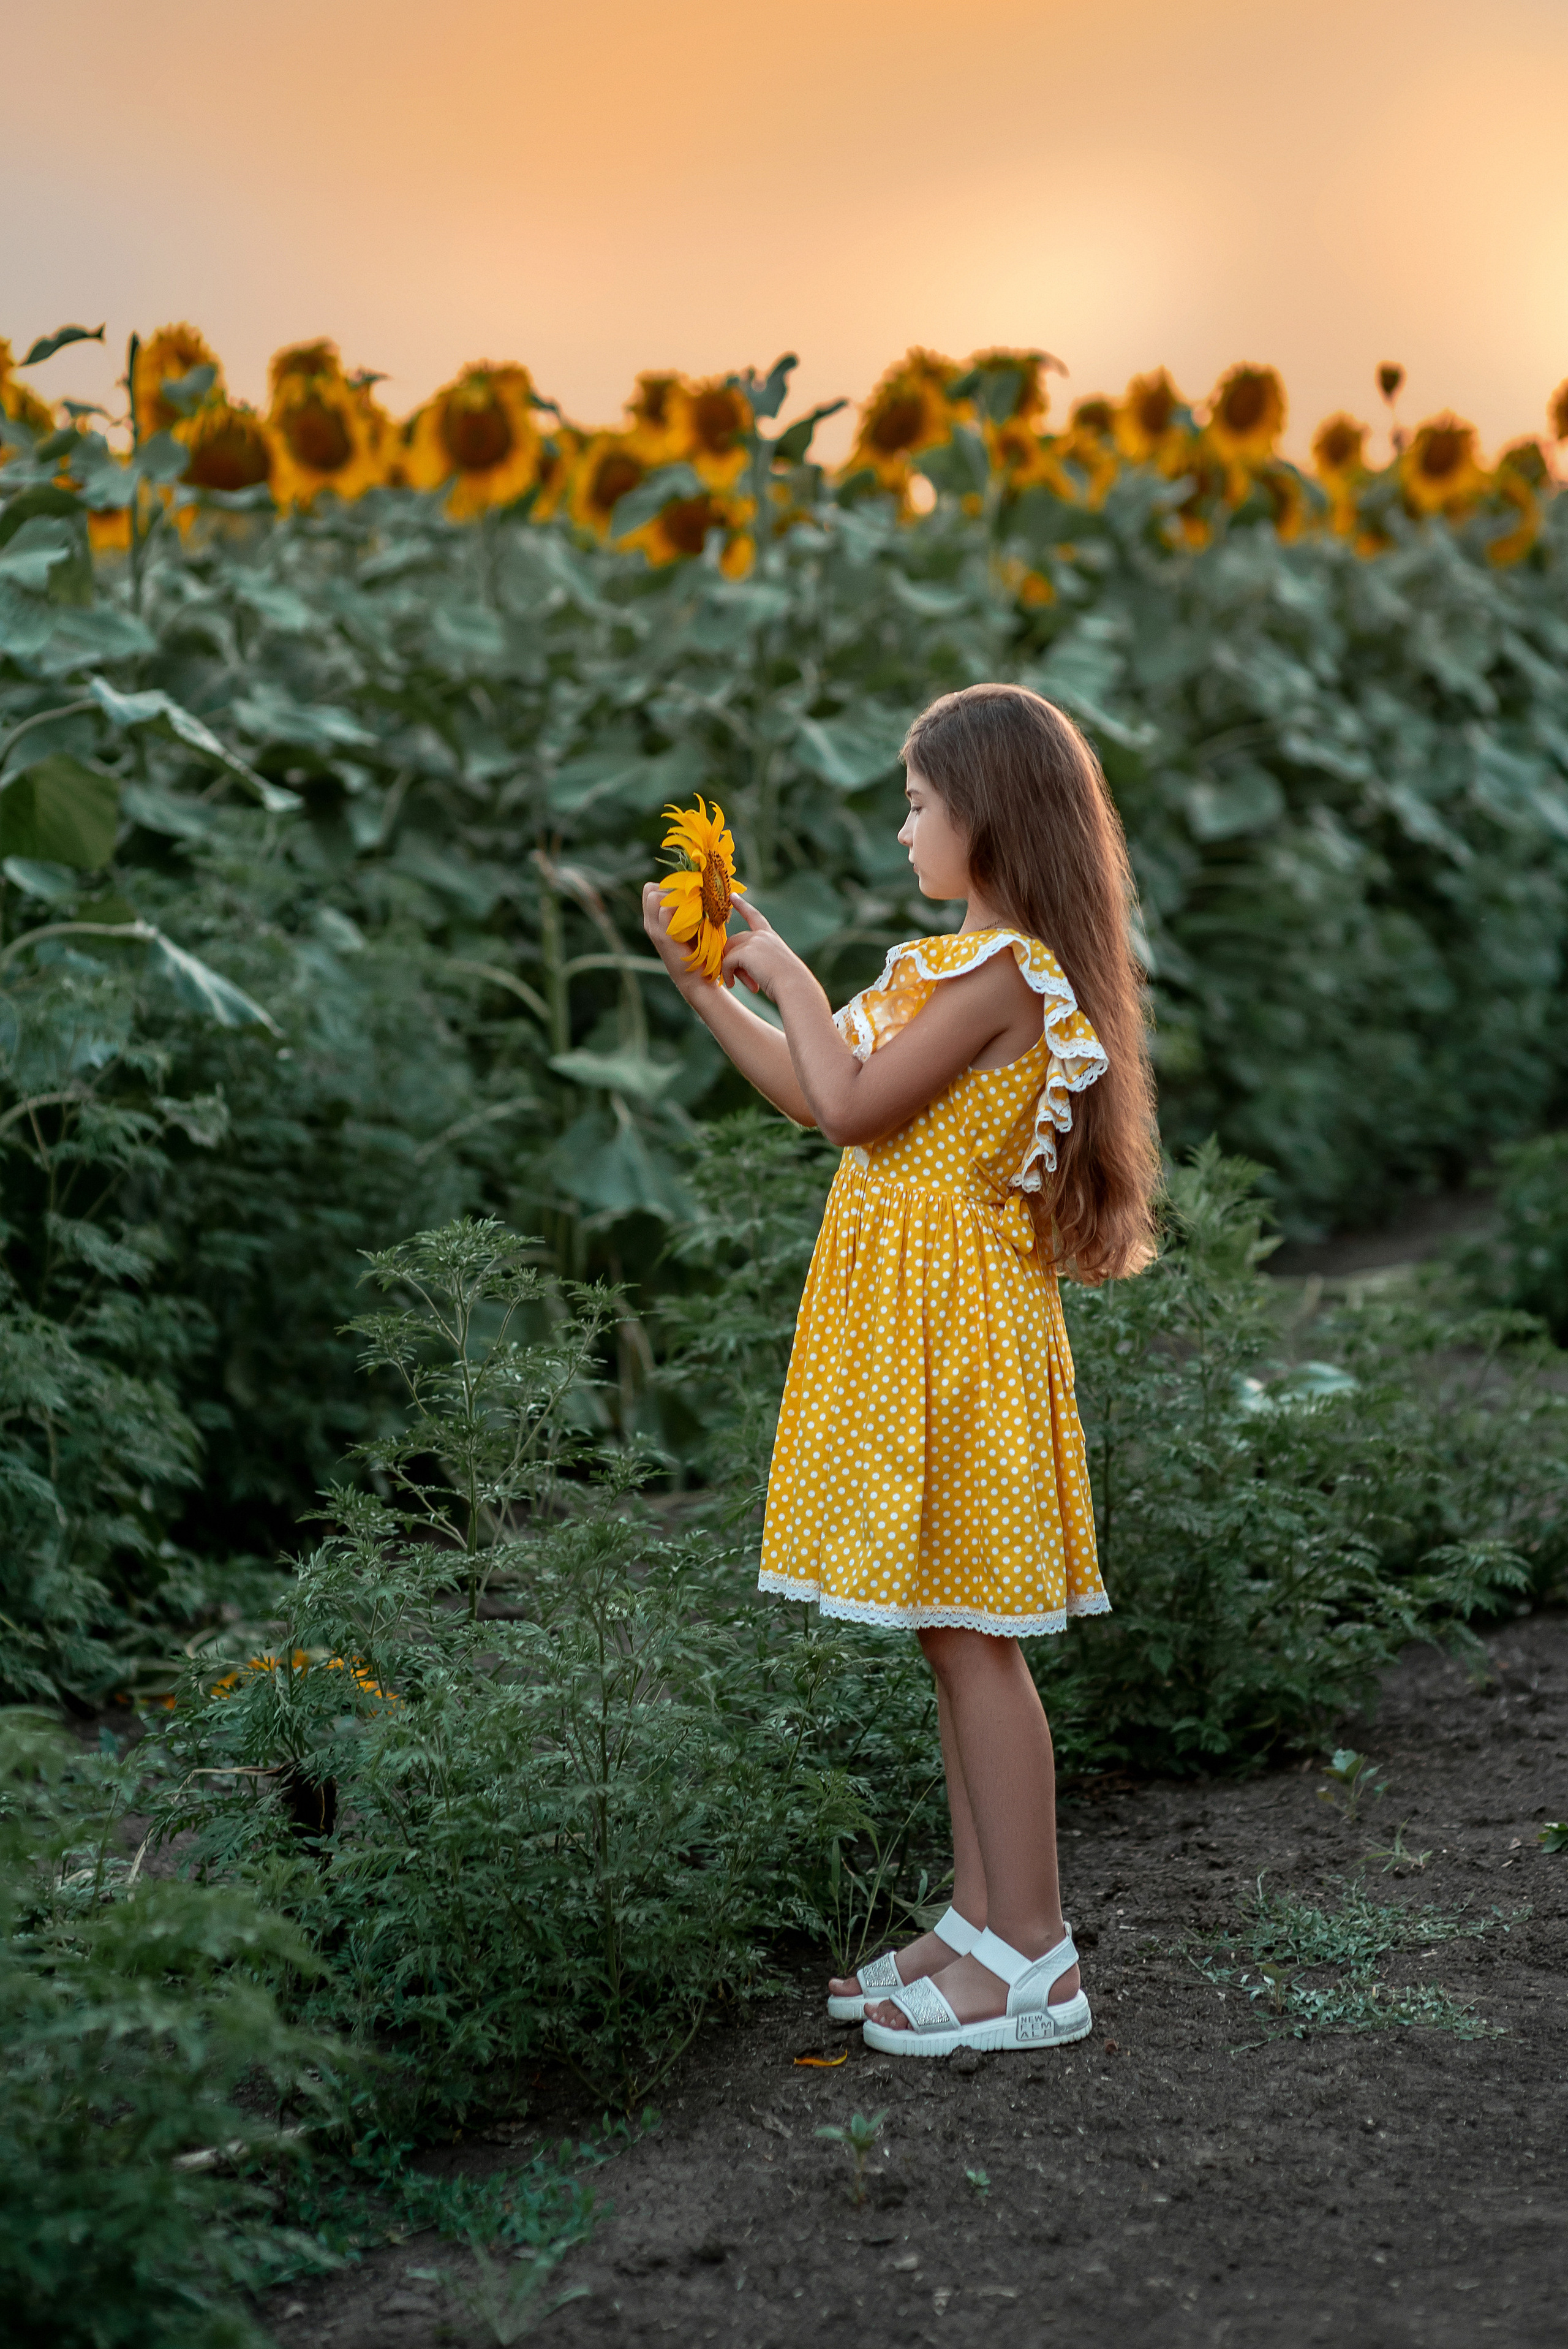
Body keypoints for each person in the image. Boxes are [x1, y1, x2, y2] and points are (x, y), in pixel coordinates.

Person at [641, 682, 1158, 2057]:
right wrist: (708, 986)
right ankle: (982, 1923)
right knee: (948, 1628)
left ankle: (1036, 1954)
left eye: (918, 804)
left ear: (989, 814)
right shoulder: (951, 965)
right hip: (917, 1333)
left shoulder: (1009, 974)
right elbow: (818, 1093)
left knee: (977, 1637)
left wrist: (790, 977)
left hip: (959, 1339)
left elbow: (852, 1104)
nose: (902, 829)